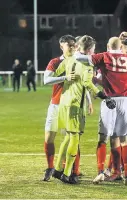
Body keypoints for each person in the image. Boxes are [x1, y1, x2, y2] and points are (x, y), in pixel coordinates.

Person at [75, 36, 127, 186]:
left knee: (104, 138)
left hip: (109, 100)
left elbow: (81, 58)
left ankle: (101, 172)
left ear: (108, 46)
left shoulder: (104, 56)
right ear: (121, 47)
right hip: (126, 102)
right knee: (125, 139)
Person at [51, 35, 116, 184]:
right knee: (74, 138)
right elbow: (88, 84)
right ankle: (67, 174)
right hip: (75, 105)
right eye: (93, 50)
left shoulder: (69, 58)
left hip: (64, 103)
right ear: (90, 50)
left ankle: (57, 169)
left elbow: (58, 73)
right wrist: (104, 96)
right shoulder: (87, 64)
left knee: (67, 137)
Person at [42, 35, 77, 181]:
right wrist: (65, 77)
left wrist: (88, 100)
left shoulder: (78, 61)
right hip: (56, 105)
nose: (72, 47)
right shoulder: (55, 62)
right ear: (61, 46)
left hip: (71, 106)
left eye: (73, 45)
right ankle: (50, 167)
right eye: (68, 44)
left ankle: (71, 170)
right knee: (49, 138)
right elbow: (46, 80)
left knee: (72, 138)